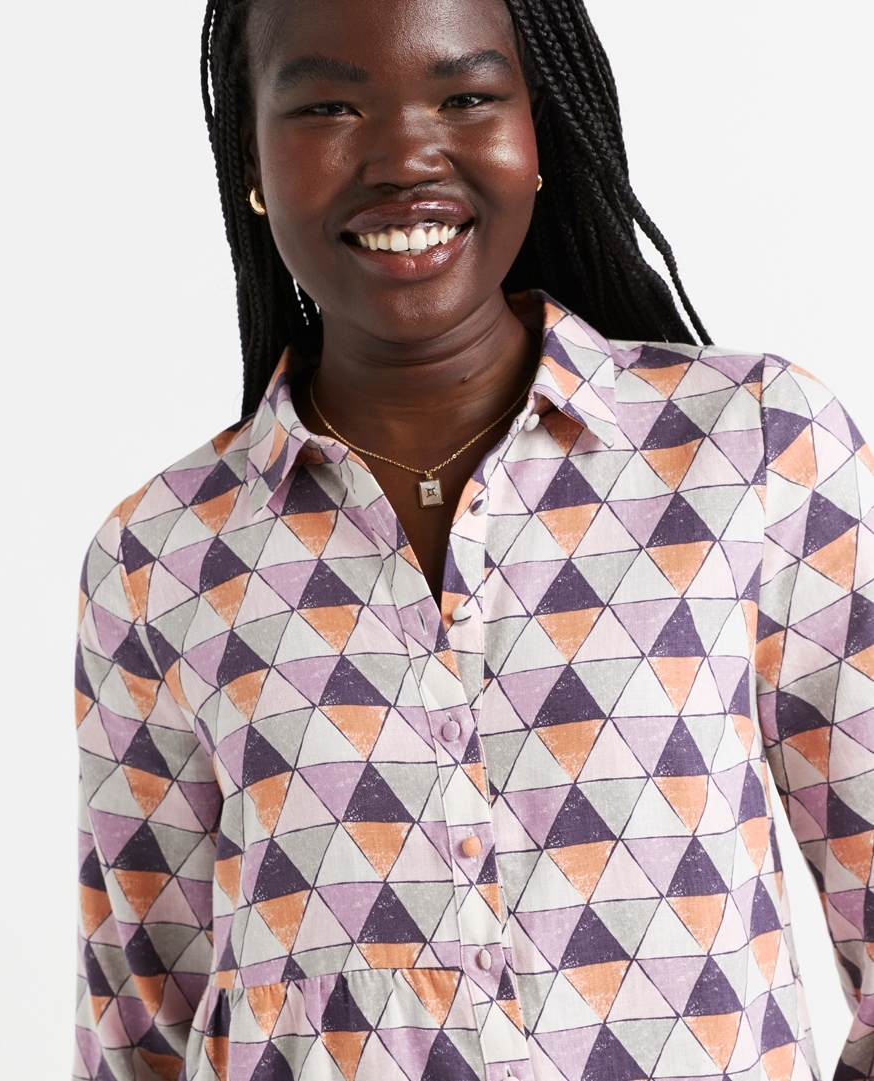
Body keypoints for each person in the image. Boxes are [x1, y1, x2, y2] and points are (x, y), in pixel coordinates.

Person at [72, 1, 874, 1079]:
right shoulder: (160, 558)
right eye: (328, 107)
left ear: (535, 135)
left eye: (465, 96)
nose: (405, 157)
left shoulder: (755, 450)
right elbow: (138, 1023)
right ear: (251, 163)